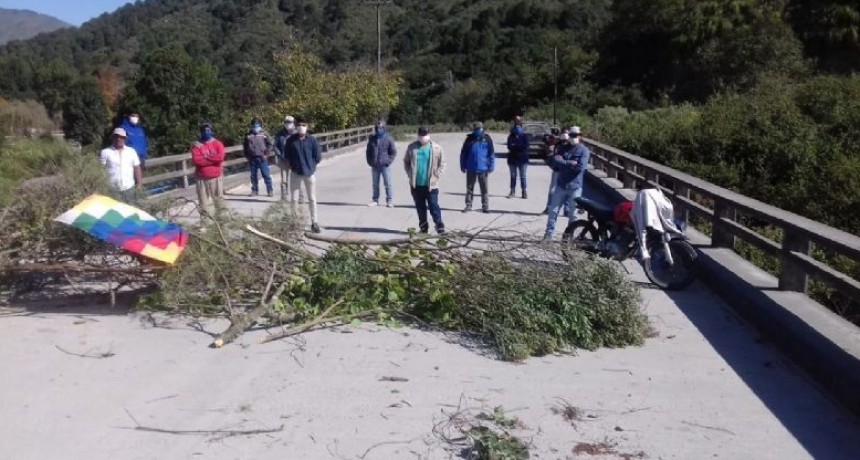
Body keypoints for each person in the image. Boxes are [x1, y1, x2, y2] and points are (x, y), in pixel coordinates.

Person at [543, 126, 590, 240]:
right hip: (561, 185)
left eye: (576, 135)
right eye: (572, 135)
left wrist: (563, 162)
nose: (574, 137)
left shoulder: (584, 150)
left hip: (575, 187)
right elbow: (555, 163)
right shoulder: (562, 148)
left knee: (573, 215)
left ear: (580, 136)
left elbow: (580, 168)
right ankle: (548, 236)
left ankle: (569, 238)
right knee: (552, 211)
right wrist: (570, 163)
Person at [404, 126, 446, 234]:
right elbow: (406, 161)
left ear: (429, 135)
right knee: (420, 208)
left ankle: (439, 225)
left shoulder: (436, 148)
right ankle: (423, 228)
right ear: (418, 135)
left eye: (425, 135)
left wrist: (436, 175)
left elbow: (443, 164)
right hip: (416, 185)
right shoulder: (412, 147)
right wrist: (410, 174)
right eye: (421, 135)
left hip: (431, 185)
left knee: (433, 206)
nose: (423, 137)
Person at [284, 117, 322, 233]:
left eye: (304, 125)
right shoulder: (291, 141)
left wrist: (312, 167)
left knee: (311, 198)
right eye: (299, 125)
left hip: (309, 173)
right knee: (294, 199)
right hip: (296, 173)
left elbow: (318, 156)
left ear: (307, 126)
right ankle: (294, 222)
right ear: (296, 126)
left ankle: (314, 222)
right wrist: (292, 166)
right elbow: (287, 156)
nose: (301, 127)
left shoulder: (312, 140)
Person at [190, 122, 225, 216]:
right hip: (201, 178)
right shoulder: (196, 145)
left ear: (211, 131)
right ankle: (204, 225)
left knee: (219, 202)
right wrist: (212, 159)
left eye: (208, 130)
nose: (206, 132)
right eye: (204, 130)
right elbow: (197, 161)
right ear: (201, 132)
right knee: (203, 204)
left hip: (216, 177)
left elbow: (220, 157)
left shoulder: (218, 144)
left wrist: (205, 157)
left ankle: (221, 222)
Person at [99, 127, 142, 204]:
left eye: (122, 137)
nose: (119, 139)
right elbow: (101, 170)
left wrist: (139, 184)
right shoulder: (105, 152)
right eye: (116, 136)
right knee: (115, 214)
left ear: (125, 139)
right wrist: (102, 187)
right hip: (113, 190)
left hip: (129, 189)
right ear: (112, 138)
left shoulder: (131, 151)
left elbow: (137, 168)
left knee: (131, 211)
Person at [459, 121, 495, 213]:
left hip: (483, 168)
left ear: (482, 128)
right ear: (473, 129)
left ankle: (485, 206)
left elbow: (491, 153)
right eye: (476, 129)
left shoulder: (487, 139)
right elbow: (463, 154)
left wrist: (491, 165)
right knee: (469, 188)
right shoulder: (469, 139)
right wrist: (462, 165)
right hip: (471, 168)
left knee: (484, 189)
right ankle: (468, 205)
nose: (478, 130)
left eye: (479, 128)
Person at [366, 118, 397, 207]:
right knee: (375, 184)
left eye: (380, 128)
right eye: (377, 128)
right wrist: (370, 162)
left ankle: (389, 200)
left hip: (385, 165)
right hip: (375, 165)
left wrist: (388, 161)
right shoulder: (372, 138)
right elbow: (368, 151)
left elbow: (393, 152)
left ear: (384, 128)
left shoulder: (389, 139)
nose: (378, 130)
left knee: (388, 183)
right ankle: (375, 200)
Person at [542, 128, 572, 216]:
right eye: (563, 133)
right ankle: (549, 207)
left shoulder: (571, 145)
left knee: (567, 190)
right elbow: (555, 157)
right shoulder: (558, 145)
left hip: (566, 171)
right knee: (552, 190)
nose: (565, 135)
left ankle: (566, 209)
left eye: (567, 134)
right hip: (557, 170)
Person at [274, 115, 304, 202]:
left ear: (293, 123)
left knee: (297, 178)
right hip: (283, 159)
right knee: (283, 179)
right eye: (286, 122)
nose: (287, 124)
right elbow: (275, 146)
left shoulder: (297, 133)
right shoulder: (280, 134)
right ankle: (284, 196)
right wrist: (280, 155)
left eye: (289, 122)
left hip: (295, 160)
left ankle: (300, 196)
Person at [243, 117, 274, 197]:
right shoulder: (248, 135)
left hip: (262, 158)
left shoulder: (264, 134)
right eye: (254, 125)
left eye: (257, 124)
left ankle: (270, 190)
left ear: (260, 125)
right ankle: (254, 190)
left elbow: (270, 144)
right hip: (252, 158)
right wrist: (247, 156)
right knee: (253, 176)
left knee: (266, 175)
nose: (255, 126)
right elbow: (245, 147)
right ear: (251, 125)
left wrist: (266, 154)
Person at [506, 120, 530, 199]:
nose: (518, 128)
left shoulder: (525, 137)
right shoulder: (511, 136)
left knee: (523, 176)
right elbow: (509, 146)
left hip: (523, 160)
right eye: (516, 127)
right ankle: (512, 191)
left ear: (521, 128)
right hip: (512, 160)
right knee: (513, 176)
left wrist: (515, 146)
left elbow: (525, 147)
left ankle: (524, 191)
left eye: (519, 127)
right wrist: (518, 146)